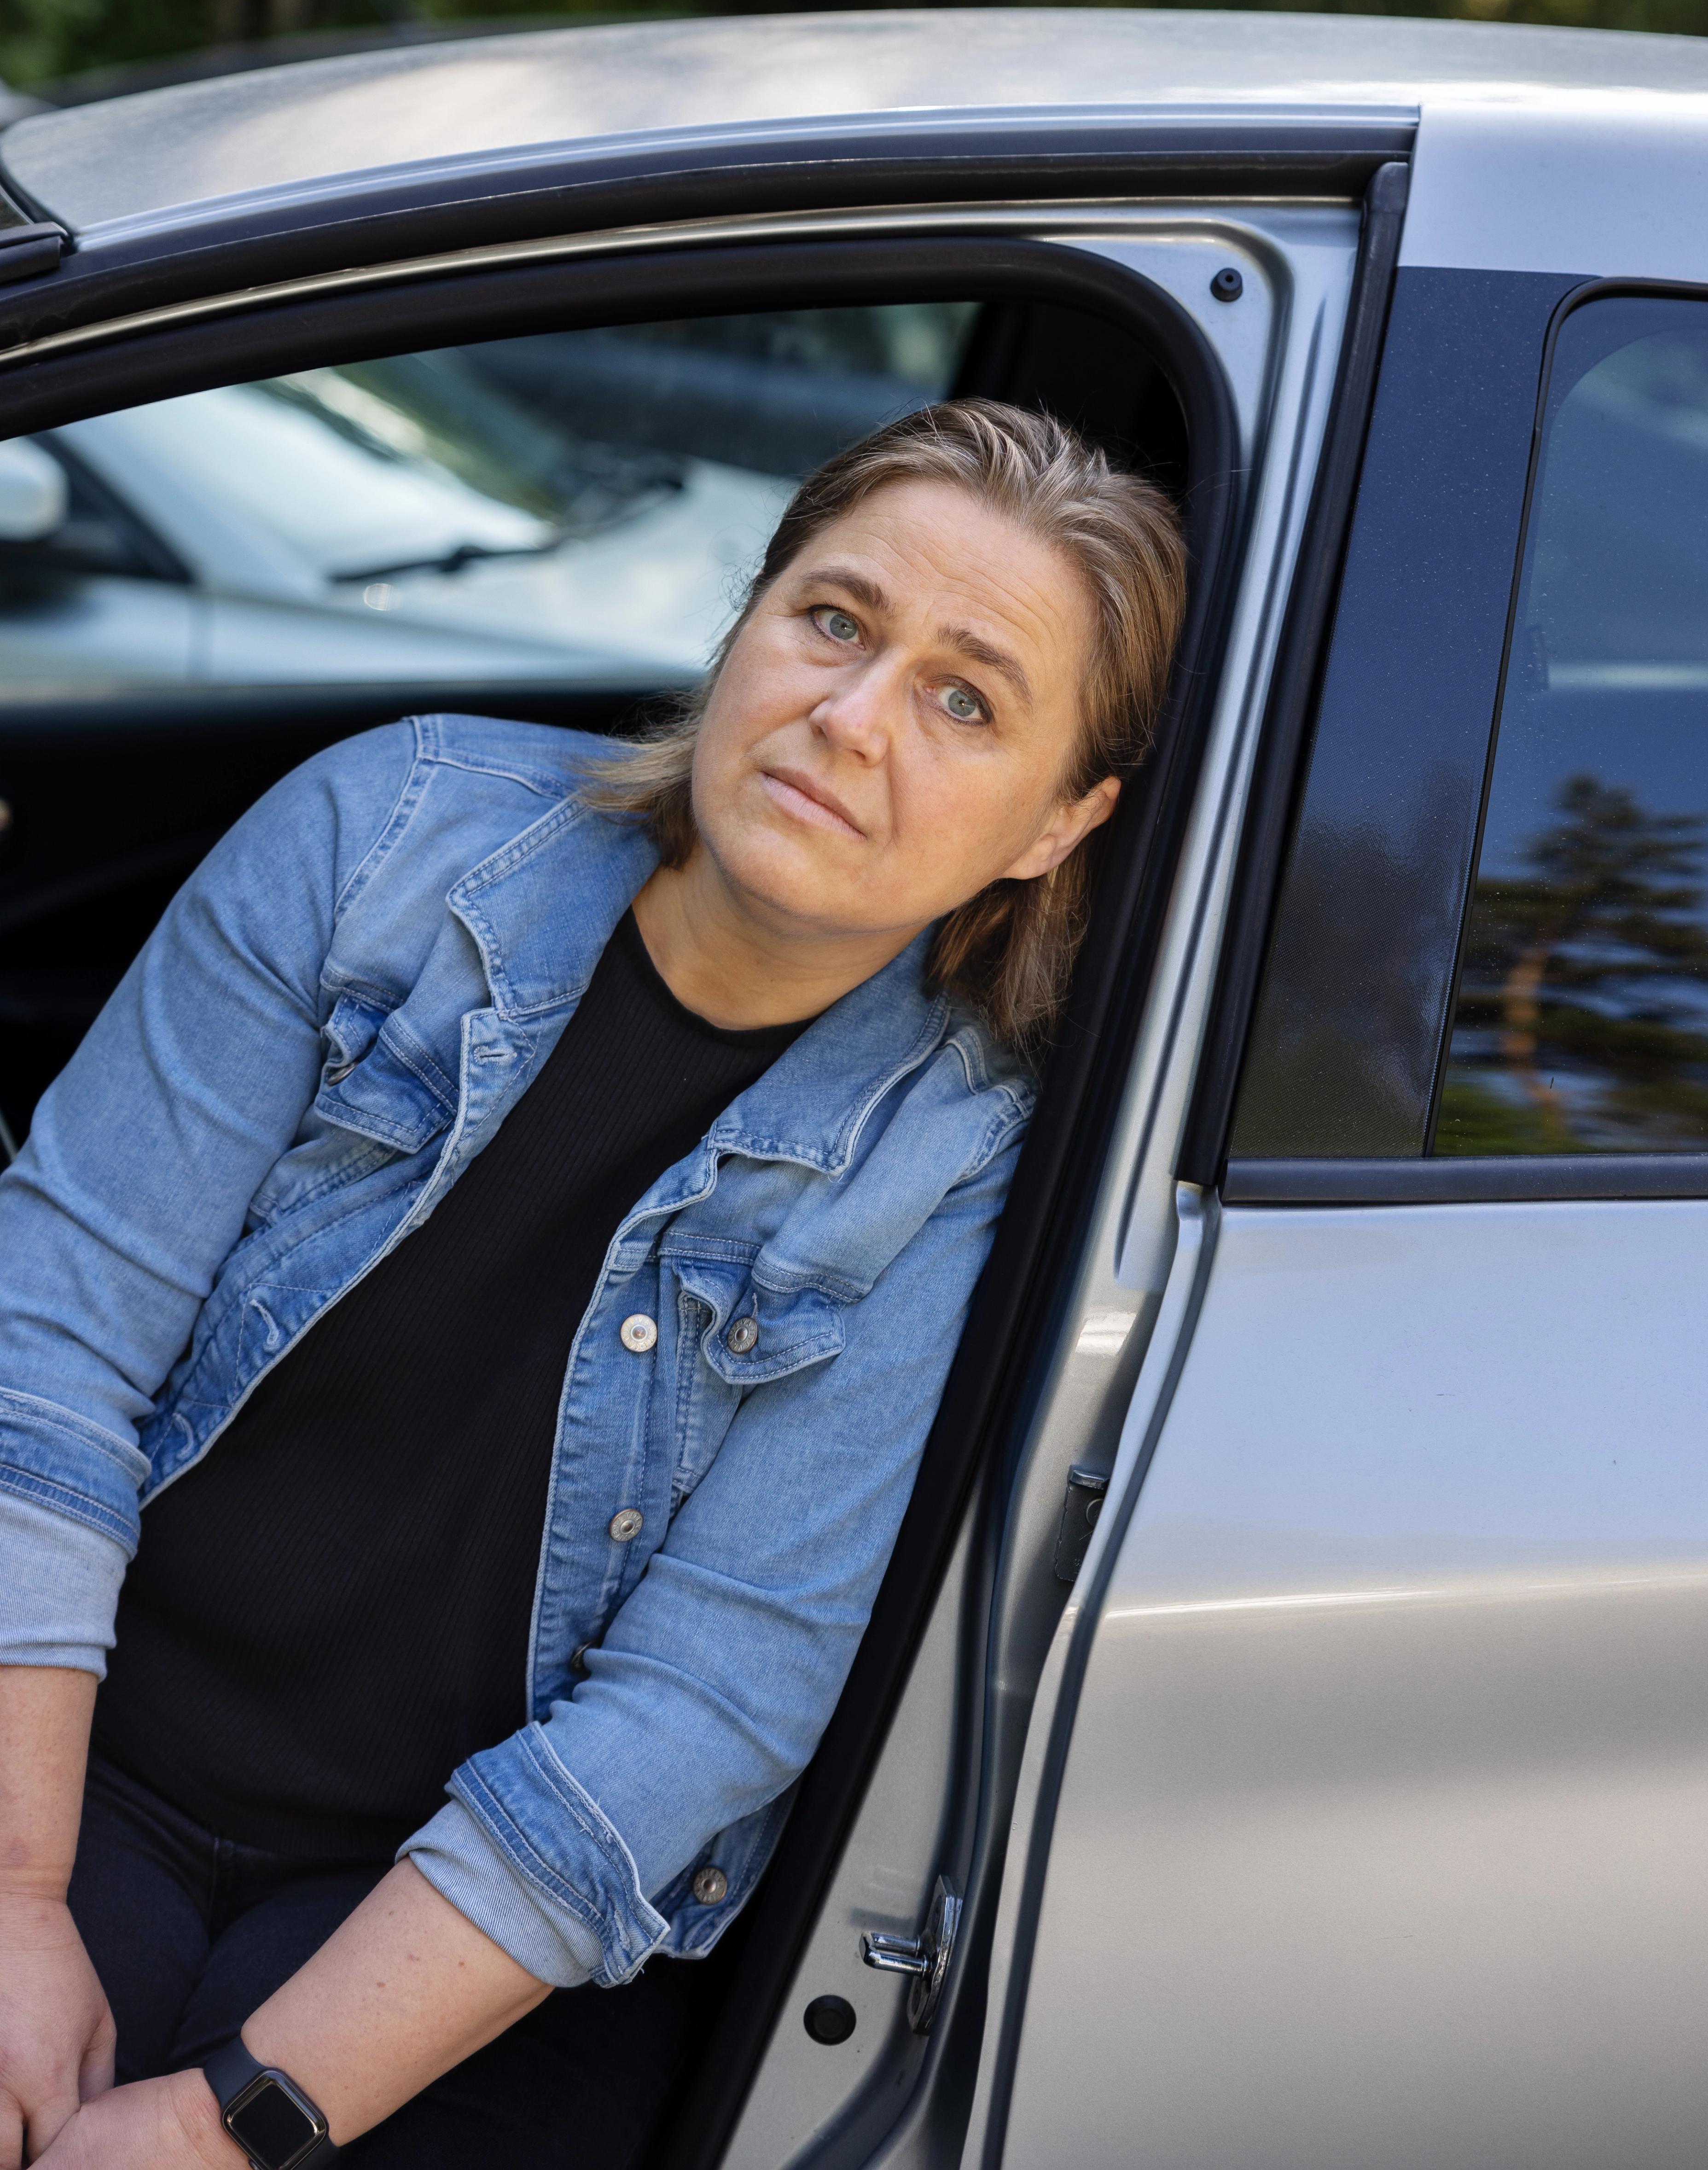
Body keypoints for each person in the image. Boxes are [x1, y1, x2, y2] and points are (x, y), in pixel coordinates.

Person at [0, 399, 1186, 2170]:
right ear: (747, 623)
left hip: (486, 1906)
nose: (852, 721)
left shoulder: (966, 1167)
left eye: (967, 700)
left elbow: (705, 1705)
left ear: (1055, 823)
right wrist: (17, 1898)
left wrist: (231, 2123)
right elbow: (47, 1357)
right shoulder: (384, 840)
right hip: (77, 1735)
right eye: (834, 621)